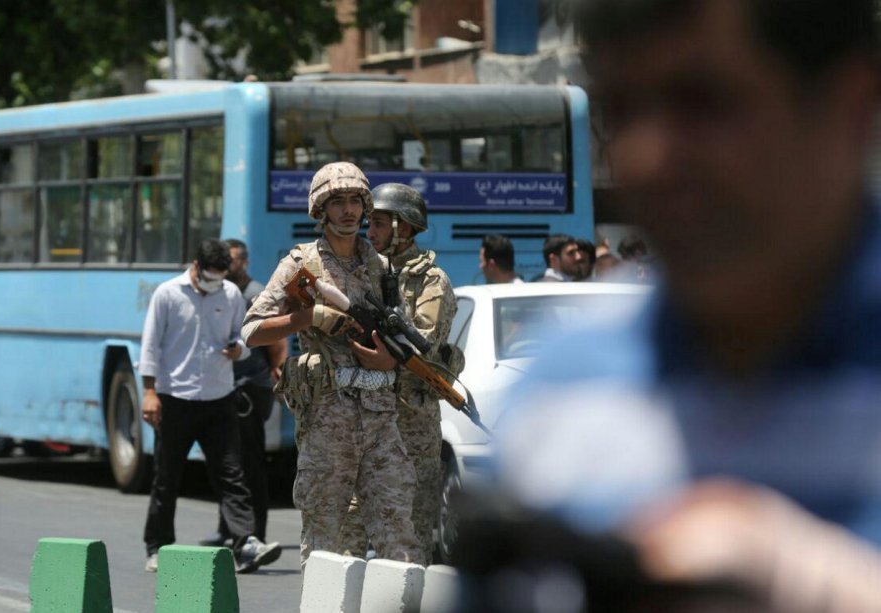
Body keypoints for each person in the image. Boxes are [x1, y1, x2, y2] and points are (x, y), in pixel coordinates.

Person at [468, 0, 881, 610]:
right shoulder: (559, 395)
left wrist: (814, 580)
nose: (645, 157)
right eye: (620, 111)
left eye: (704, 101)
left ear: (850, 109)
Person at [242, 162, 421, 567]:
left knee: (399, 538)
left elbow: (400, 338)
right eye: (337, 202)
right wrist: (308, 318)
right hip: (328, 419)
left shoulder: (382, 268)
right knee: (325, 539)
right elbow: (252, 332)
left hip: (381, 420)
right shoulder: (301, 266)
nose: (348, 211)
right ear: (321, 209)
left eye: (355, 201)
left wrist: (389, 357)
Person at [139, 239, 279, 574]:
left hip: (219, 400)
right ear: (195, 266)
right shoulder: (167, 294)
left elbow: (245, 337)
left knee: (232, 474)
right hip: (176, 400)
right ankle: (158, 545)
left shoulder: (230, 294)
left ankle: (245, 542)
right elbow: (150, 345)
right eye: (210, 277)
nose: (215, 284)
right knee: (167, 477)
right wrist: (149, 393)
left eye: (221, 277)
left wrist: (239, 350)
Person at [337, 182, 459, 565]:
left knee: (409, 527)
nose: (368, 232)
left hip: (412, 420)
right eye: (368, 223)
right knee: (350, 522)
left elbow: (422, 340)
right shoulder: (366, 270)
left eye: (377, 223)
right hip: (365, 413)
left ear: (402, 227)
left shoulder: (431, 281)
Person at [198, 238, 287, 563]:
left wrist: (278, 370)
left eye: (232, 260)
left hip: (250, 389)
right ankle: (228, 531)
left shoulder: (254, 294)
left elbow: (277, 340)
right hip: (228, 388)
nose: (227, 265)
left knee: (250, 465)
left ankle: (255, 534)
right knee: (228, 463)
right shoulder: (224, 293)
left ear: (244, 262)